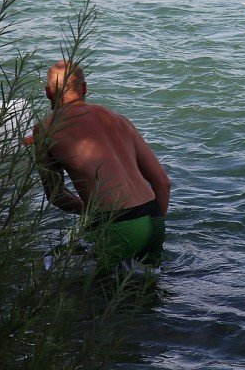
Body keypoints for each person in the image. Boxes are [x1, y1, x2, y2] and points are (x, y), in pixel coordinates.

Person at [34, 61, 171, 271]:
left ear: (48, 93)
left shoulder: (45, 128)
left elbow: (56, 195)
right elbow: (162, 183)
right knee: (144, 290)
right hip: (154, 220)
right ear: (85, 88)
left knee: (47, 268)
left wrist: (89, 212)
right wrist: (154, 227)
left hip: (117, 224)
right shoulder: (118, 119)